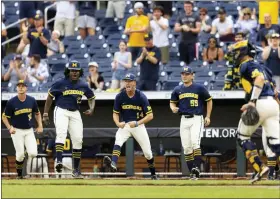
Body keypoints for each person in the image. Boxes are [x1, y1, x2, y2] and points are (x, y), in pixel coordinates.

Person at [230, 40, 280, 183]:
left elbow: (258, 79)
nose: (235, 55)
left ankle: (259, 167)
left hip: (260, 103)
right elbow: (275, 91)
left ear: (244, 52)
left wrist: (252, 101)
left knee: (242, 137)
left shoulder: (246, 65)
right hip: (273, 105)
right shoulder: (265, 68)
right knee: (276, 143)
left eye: (236, 52)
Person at [42, 61, 96, 179]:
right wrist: (45, 113)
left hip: (75, 112)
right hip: (61, 110)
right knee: (61, 134)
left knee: (78, 140)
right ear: (68, 71)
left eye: (76, 71)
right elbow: (50, 96)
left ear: (80, 72)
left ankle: (76, 170)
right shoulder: (60, 83)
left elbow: (91, 97)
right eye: (72, 70)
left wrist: (91, 108)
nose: (74, 73)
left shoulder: (83, 84)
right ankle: (59, 161)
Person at [104, 73, 157, 180]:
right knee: (118, 139)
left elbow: (150, 115)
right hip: (126, 124)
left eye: (129, 81)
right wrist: (118, 123)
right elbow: (115, 113)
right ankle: (113, 163)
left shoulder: (141, 96)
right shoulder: (120, 96)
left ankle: (153, 174)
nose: (127, 83)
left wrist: (137, 123)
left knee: (147, 152)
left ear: (134, 83)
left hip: (138, 125)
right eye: (126, 81)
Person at [170, 66, 213, 180]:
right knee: (187, 148)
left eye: (187, 74)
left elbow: (209, 100)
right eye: (183, 74)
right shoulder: (177, 89)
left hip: (196, 118)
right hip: (183, 119)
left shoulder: (199, 88)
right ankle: (192, 174)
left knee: (195, 143)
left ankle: (197, 168)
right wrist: (173, 108)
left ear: (192, 75)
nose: (184, 76)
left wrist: (207, 116)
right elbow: (172, 102)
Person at [2, 80, 43, 179]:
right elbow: (4, 117)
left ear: (26, 88)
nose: (21, 88)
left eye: (23, 86)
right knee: (19, 156)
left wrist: (40, 125)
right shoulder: (11, 102)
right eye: (19, 86)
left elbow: (37, 113)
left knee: (33, 153)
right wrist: (9, 127)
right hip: (17, 130)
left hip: (29, 130)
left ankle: (25, 151)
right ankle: (19, 175)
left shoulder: (31, 100)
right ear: (16, 88)